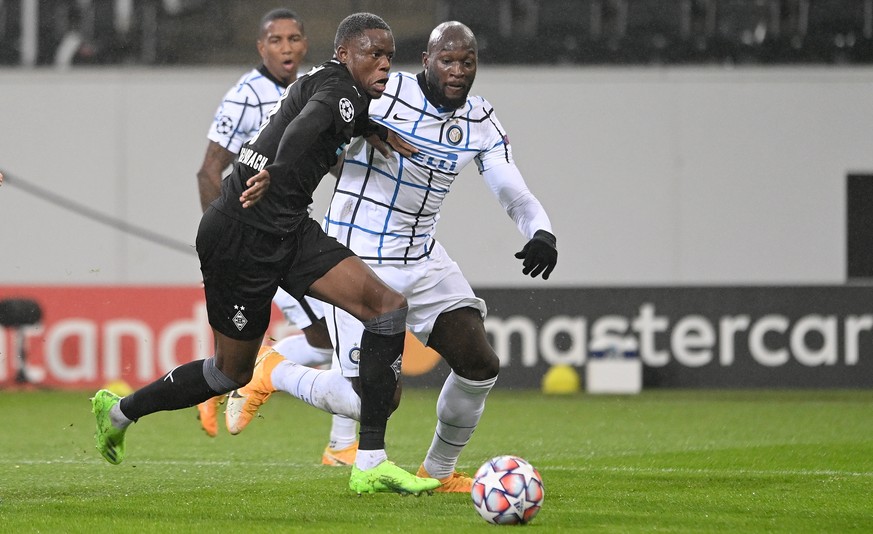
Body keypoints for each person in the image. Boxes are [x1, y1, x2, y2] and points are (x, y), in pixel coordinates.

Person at [91, 12, 441, 497]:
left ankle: (370, 462)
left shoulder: (333, 83)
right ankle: (118, 412)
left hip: (289, 231)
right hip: (239, 235)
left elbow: (335, 114)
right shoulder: (338, 92)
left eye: (388, 56)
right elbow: (307, 125)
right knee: (226, 372)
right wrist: (276, 171)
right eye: (373, 54)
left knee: (387, 308)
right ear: (344, 54)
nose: (384, 64)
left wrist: (374, 129)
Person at [224, 21, 558, 493]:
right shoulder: (381, 92)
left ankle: (438, 473)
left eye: (468, 62)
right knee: (374, 400)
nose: (458, 71)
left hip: (423, 258)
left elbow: (512, 191)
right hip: (358, 259)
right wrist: (277, 174)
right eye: (448, 60)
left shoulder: (481, 120)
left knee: (480, 363)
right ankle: (273, 370)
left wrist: (540, 230)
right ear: (426, 61)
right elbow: (313, 113)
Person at [192, 8, 337, 438]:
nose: (286, 47)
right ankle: (244, 378)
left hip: (284, 233)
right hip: (254, 241)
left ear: (305, 44)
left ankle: (218, 383)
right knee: (327, 334)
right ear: (262, 46)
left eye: (294, 38)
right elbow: (208, 171)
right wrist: (224, 240)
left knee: (324, 337)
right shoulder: (245, 96)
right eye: (276, 40)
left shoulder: (310, 86)